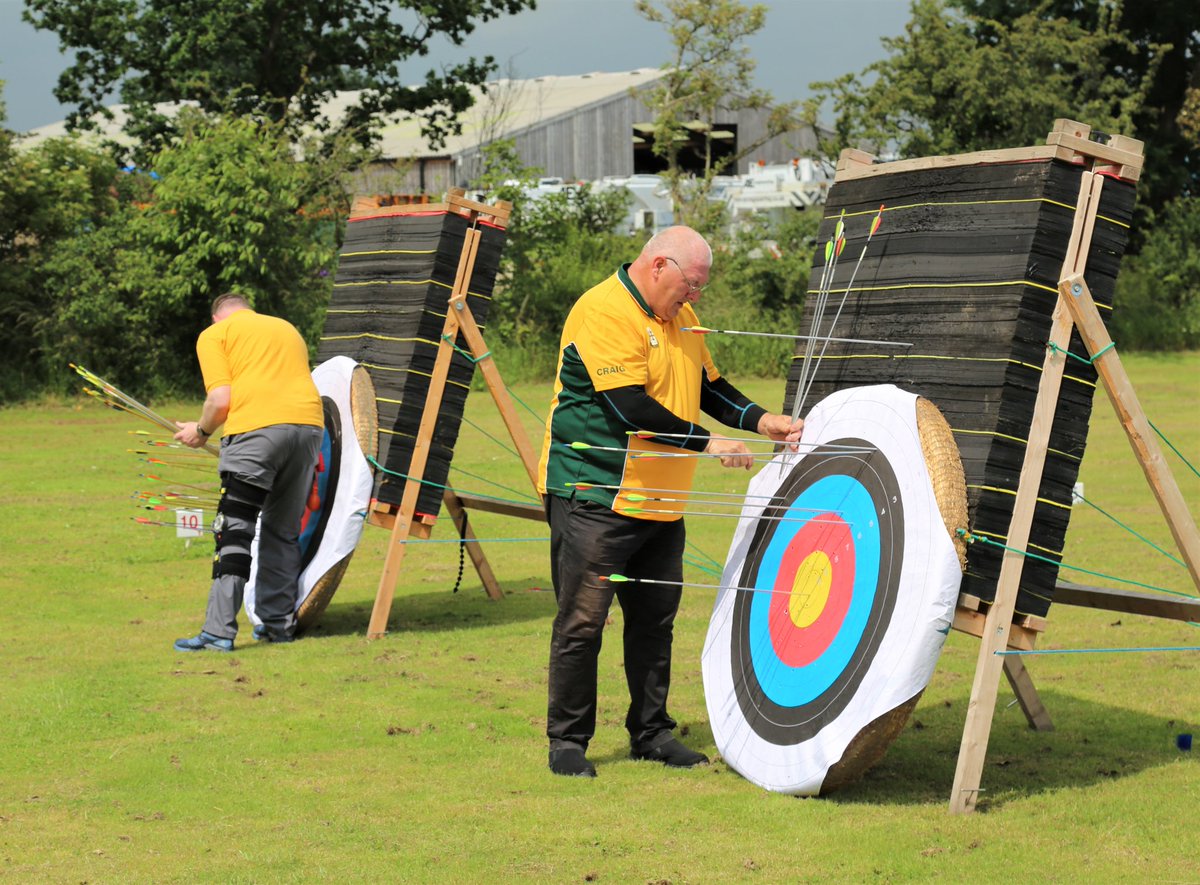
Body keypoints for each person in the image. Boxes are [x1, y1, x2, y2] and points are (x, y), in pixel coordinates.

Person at [537, 226, 804, 777]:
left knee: (656, 622)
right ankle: (567, 744)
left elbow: (711, 387)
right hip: (597, 493)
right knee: (583, 624)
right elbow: (629, 408)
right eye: (692, 284)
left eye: (700, 288)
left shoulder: (681, 319)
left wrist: (762, 421)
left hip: (662, 501)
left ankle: (652, 733)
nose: (695, 297)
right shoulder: (604, 311)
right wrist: (710, 441)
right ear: (659, 265)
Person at [172, 292, 324, 652]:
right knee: (282, 530)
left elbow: (220, 400)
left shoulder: (215, 335)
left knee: (234, 531)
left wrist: (201, 431)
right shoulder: (286, 328)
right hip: (308, 429)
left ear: (216, 318)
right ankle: (278, 624)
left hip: (256, 433)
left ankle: (218, 631)